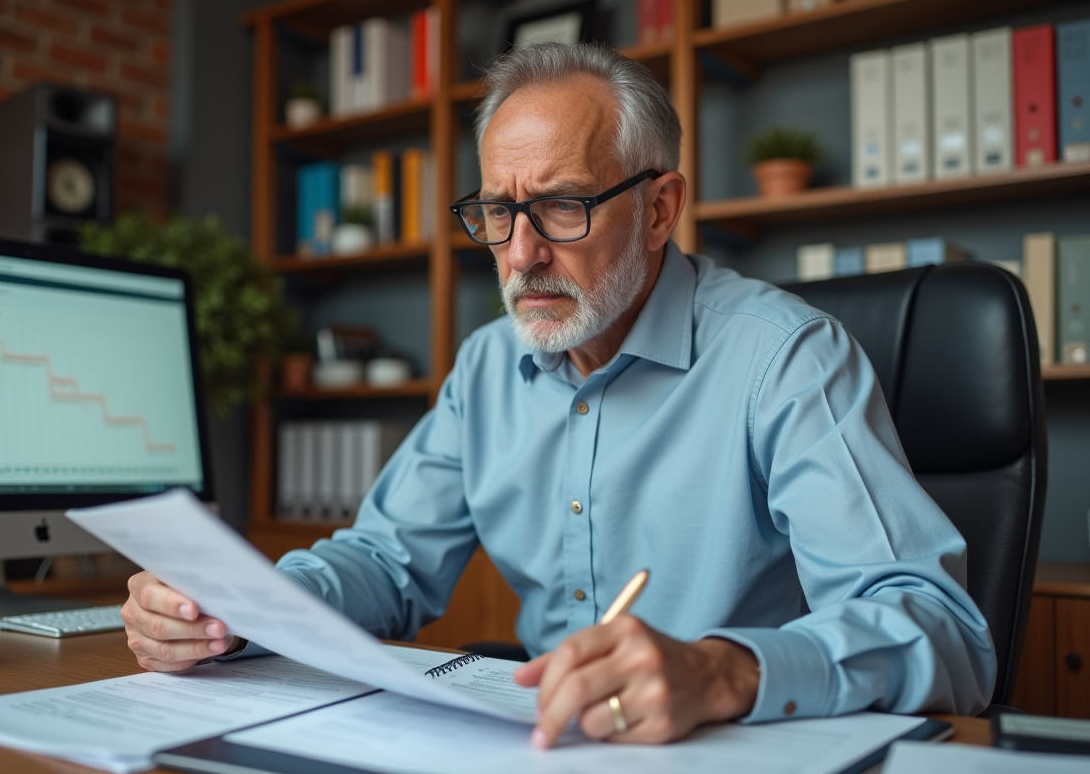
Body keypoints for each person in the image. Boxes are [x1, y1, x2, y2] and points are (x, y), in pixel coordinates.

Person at [122, 42, 995, 748]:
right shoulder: (486, 368)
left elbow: (943, 632)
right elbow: (387, 562)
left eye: (564, 207)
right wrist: (243, 609)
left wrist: (725, 671)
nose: (521, 253)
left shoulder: (787, 360)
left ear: (660, 210)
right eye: (498, 211)